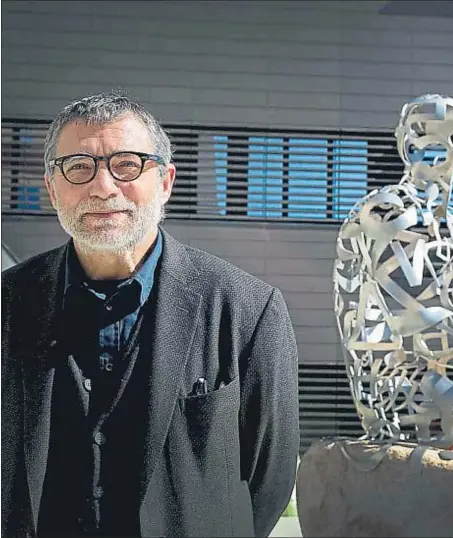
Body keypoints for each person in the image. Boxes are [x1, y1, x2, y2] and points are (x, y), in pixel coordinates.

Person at [1, 91, 300, 538]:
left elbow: (268, 479)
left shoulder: (247, 310)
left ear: (165, 182)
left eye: (127, 165)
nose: (103, 188)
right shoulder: (8, 303)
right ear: (51, 188)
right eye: (79, 167)